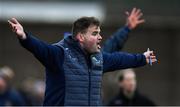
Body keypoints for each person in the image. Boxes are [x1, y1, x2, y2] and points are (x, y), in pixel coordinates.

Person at [8, 15, 156, 106]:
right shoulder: (60, 54)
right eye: (95, 33)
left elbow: (120, 58)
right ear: (80, 37)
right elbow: (41, 48)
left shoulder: (98, 58)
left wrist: (143, 58)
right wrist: (24, 37)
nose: (100, 37)